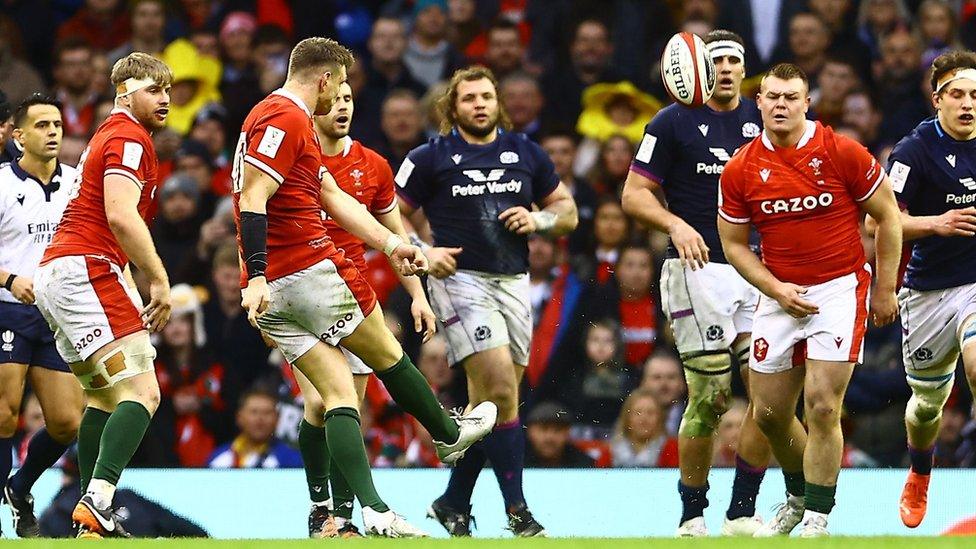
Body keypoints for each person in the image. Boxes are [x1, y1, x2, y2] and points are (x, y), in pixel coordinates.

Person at [233, 38, 495, 538]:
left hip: (275, 289)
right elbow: (253, 196)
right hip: (306, 270)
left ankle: (367, 512)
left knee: (336, 398)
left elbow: (331, 197)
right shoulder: (287, 119)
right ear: (326, 79)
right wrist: (262, 273)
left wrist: (392, 244)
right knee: (389, 355)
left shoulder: (274, 118)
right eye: (341, 87)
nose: (342, 101)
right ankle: (447, 434)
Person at [717, 62, 902, 537]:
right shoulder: (740, 168)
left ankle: (818, 515)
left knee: (821, 405)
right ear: (758, 102)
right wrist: (775, 289)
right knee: (771, 415)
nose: (780, 105)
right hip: (778, 295)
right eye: (772, 97)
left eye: (791, 97)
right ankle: (798, 496)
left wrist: (883, 288)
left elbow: (888, 217)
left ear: (806, 102)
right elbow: (734, 245)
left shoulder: (841, 151)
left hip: (839, 288)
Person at [397, 65, 577, 537]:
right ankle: (518, 512)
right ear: (452, 108)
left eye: (486, 97)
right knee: (499, 389)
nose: (479, 104)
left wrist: (539, 222)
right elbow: (392, 212)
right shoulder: (429, 157)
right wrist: (422, 251)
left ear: (498, 104)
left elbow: (568, 213)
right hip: (460, 281)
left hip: (514, 282)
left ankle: (453, 500)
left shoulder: (526, 153)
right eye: (469, 98)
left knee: (495, 406)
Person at [620, 31, 772, 537]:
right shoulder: (671, 121)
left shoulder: (764, 120)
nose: (726, 68)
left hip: (757, 269)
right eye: (716, 60)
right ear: (697, 68)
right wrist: (675, 224)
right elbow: (634, 194)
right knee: (708, 397)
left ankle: (743, 510)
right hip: (696, 270)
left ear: (744, 68)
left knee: (769, 399)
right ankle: (692, 512)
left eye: (734, 61)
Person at [32, 52, 175, 538]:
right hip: (87, 268)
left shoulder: (105, 137)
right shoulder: (129, 138)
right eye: (153, 90)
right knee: (144, 392)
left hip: (61, 272)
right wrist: (158, 277)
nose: (165, 99)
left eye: (168, 91)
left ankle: (89, 524)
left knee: (103, 397)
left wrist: (132, 288)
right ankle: (99, 500)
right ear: (123, 93)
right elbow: (119, 214)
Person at [296, 80, 439, 538]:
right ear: (312, 106)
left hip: (353, 297)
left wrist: (418, 295)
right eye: (332, 101)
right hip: (299, 293)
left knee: (348, 406)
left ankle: (340, 518)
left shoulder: (373, 165)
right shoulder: (295, 161)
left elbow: (396, 235)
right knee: (319, 403)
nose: (341, 108)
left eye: (348, 99)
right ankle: (322, 508)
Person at [873, 51, 976, 529]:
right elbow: (885, 224)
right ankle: (919, 471)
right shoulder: (913, 151)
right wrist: (937, 223)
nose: (968, 103)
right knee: (927, 405)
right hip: (930, 291)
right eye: (957, 94)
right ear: (937, 100)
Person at [0, 94, 83, 538]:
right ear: (19, 136)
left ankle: (21, 485)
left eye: (57, 124)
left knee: (67, 421)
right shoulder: (0, 184)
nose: (53, 132)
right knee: (4, 414)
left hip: (56, 315)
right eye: (42, 125)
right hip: (7, 311)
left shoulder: (76, 184)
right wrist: (10, 278)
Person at [207, 387, 302, 468]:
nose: (260, 419)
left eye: (267, 412)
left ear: (277, 419)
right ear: (239, 417)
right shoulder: (217, 457)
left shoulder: (292, 461)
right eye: (254, 412)